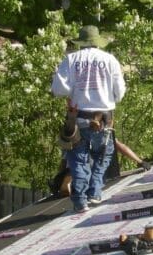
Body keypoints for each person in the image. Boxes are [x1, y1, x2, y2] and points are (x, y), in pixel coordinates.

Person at [52, 25, 127, 212]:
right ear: (97, 42)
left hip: (79, 117)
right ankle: (94, 193)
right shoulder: (110, 60)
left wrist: (76, 91)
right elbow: (119, 93)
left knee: (78, 159)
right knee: (102, 156)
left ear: (81, 43)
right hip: (104, 119)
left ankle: (80, 200)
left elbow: (58, 89)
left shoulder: (71, 59)